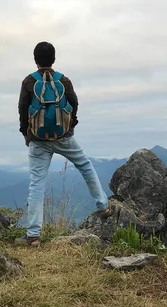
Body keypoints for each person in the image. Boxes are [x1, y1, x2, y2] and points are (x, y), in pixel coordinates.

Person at [15, 41, 111, 247]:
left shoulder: (28, 82)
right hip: (64, 136)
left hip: (38, 140)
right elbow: (74, 103)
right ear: (54, 59)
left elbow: (23, 110)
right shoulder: (64, 80)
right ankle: (103, 206)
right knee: (85, 165)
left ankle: (33, 235)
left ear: (35, 60)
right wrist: (70, 125)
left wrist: (25, 133)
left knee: (37, 184)